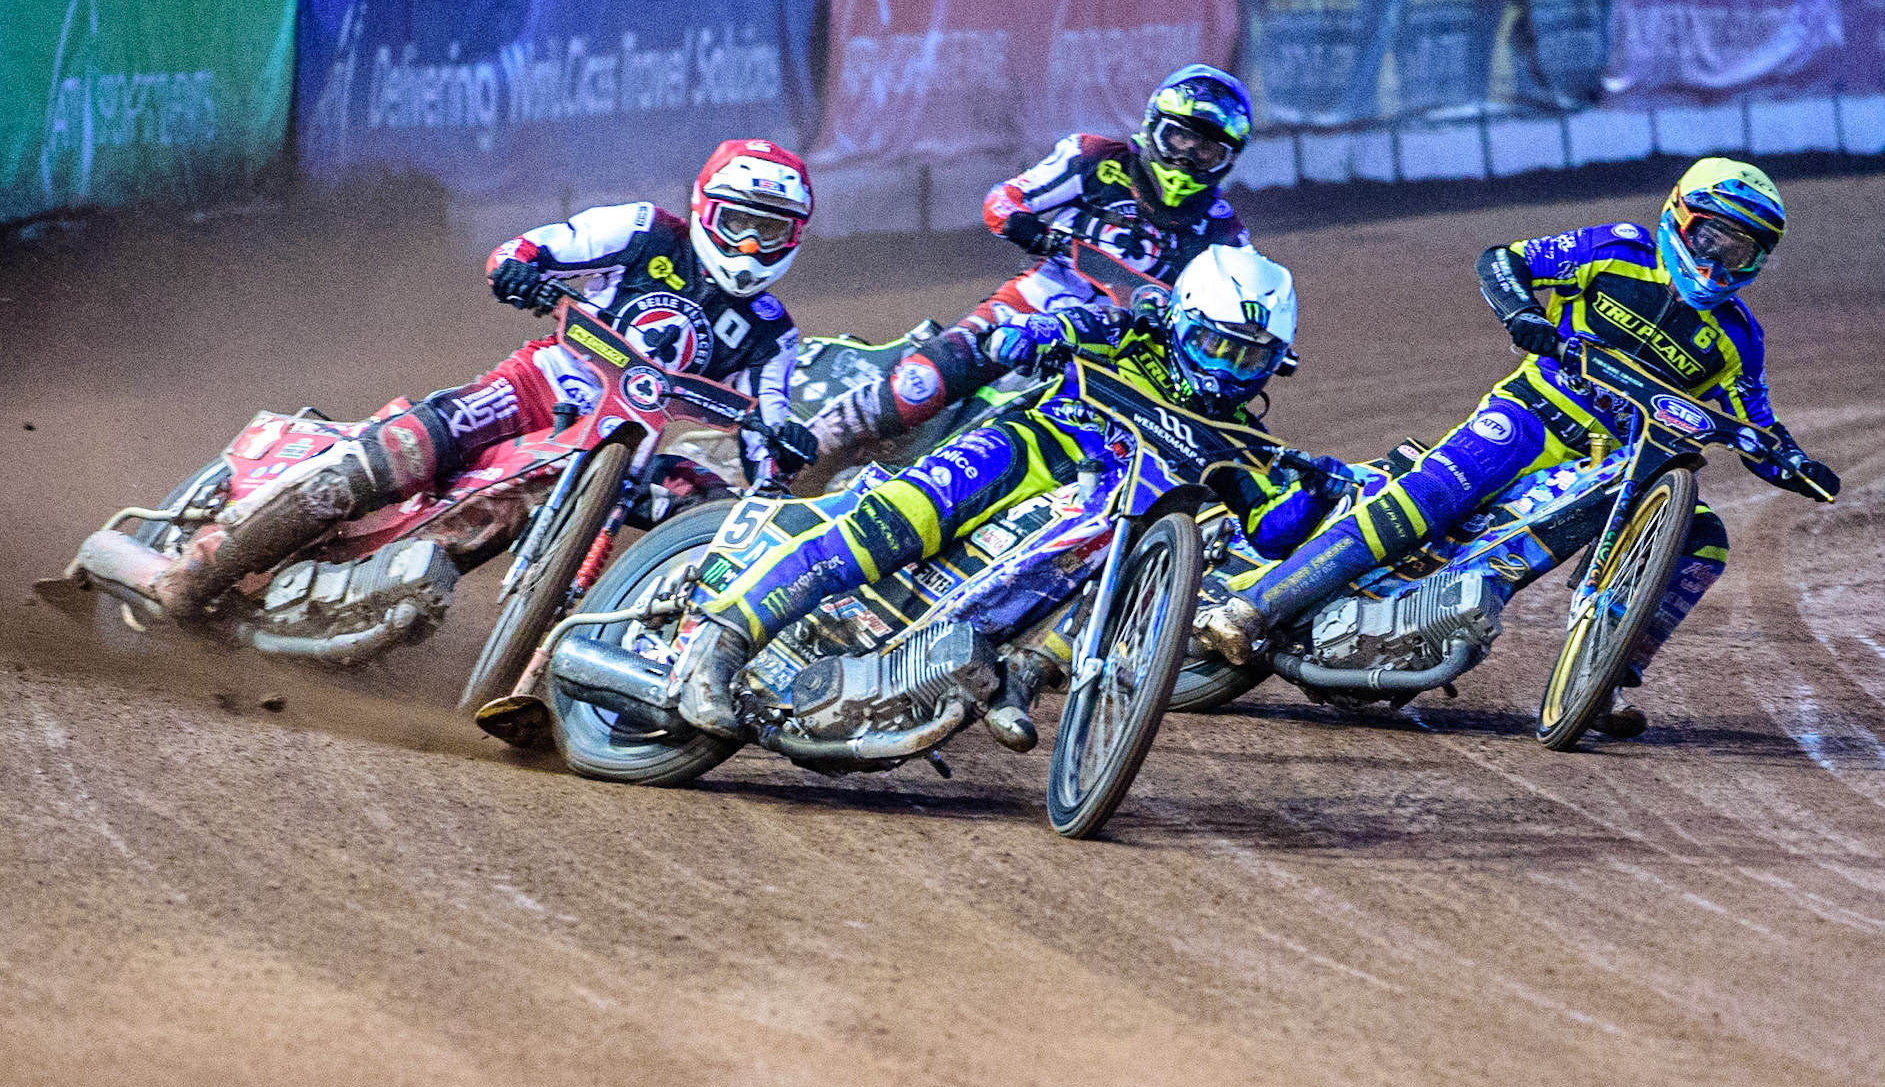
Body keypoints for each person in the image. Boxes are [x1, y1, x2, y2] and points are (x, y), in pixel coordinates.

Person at [1200, 158, 1840, 737]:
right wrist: (1523, 315)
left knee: (1704, 538)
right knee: (1434, 495)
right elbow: (1504, 261)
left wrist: (1792, 460)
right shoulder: (1617, 249)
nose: (1718, 262)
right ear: (1680, 218)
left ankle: (1607, 675)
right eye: (1711, 239)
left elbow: (1757, 424)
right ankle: (1257, 606)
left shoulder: (1739, 338)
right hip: (1531, 415)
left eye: (1741, 251)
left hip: (1615, 462)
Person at [673, 244, 1350, 744]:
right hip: (1021, 452)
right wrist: (1038, 331)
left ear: (1276, 361)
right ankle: (720, 642)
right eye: (1213, 344)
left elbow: (1271, 530)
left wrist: (1315, 493)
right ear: (1180, 320)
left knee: (1137, 575)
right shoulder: (1129, 335)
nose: (1226, 368)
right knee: (895, 525)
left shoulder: (1242, 440)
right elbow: (1067, 324)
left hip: (1094, 532)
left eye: (1248, 357)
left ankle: (1017, 678)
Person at [150, 138, 822, 621]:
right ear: (706, 209)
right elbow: (527, 249)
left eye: (769, 231)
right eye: (738, 223)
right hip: (542, 387)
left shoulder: (772, 333)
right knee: (408, 448)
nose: (750, 246)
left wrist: (783, 450)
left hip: (627, 449)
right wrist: (521, 271)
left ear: (793, 237)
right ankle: (201, 566)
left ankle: (613, 656)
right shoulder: (645, 231)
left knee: (708, 510)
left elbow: (766, 442)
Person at [806, 64, 1257, 459]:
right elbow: (1003, 199)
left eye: (1206, 149)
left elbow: (1244, 309)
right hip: (1032, 305)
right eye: (1179, 137)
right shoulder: (1094, 159)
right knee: (920, 385)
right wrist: (1032, 230)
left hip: (1120, 350)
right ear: (1154, 127)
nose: (1186, 156)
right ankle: (803, 450)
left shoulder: (1226, 233)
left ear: (1227, 159)